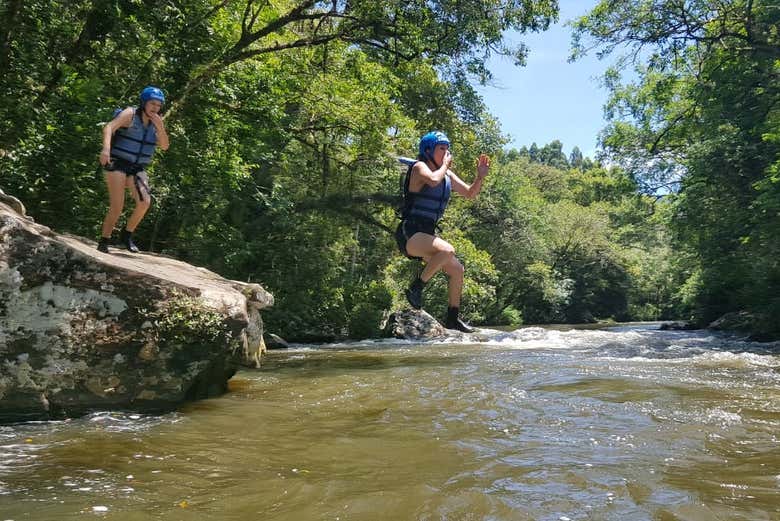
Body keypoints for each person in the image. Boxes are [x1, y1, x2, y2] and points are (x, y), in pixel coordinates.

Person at [395, 131, 491, 333]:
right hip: (409, 233)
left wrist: (479, 177)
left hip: (427, 235)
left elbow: (470, 193)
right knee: (448, 250)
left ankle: (452, 319)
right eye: (442, 149)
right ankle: (416, 288)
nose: (446, 154)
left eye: (448, 149)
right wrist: (446, 166)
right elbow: (432, 180)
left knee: (457, 269)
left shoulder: (446, 174)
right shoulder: (420, 167)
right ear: (428, 150)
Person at [97, 86, 170, 253]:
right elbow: (109, 127)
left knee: (145, 202)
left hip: (137, 167)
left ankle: (127, 234)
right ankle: (104, 240)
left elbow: (165, 146)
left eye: (158, 105)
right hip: (117, 162)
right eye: (152, 103)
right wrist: (106, 150)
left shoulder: (156, 122)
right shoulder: (130, 114)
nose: (155, 108)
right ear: (144, 102)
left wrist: (160, 127)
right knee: (117, 206)